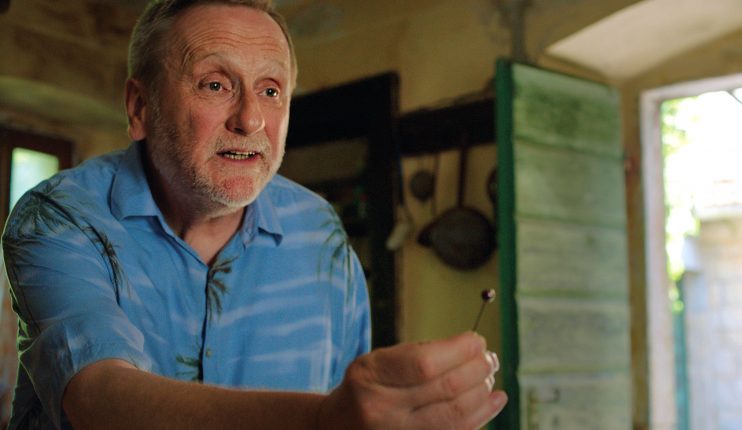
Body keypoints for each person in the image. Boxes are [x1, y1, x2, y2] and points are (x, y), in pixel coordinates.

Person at [1, 0, 507, 428]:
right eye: (215, 85)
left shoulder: (320, 231)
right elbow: (98, 397)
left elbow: (354, 395)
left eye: (270, 90)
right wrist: (323, 421)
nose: (250, 119)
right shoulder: (60, 216)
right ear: (140, 108)